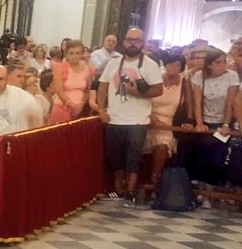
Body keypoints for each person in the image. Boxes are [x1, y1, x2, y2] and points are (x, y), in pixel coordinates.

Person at [97, 27, 164, 205]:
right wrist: (101, 110)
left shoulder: (150, 64)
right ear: (124, 41)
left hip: (138, 119)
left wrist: (137, 92)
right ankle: (117, 189)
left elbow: (158, 89)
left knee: (133, 156)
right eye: (129, 40)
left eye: (136, 40)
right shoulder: (113, 63)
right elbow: (102, 86)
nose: (132, 43)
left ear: (142, 43)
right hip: (114, 117)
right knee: (114, 156)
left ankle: (131, 190)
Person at [186, 48, 239, 186]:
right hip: (205, 119)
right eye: (218, 62)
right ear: (209, 64)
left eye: (224, 62)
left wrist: (226, 124)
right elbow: (197, 101)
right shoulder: (199, 76)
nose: (222, 65)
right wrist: (199, 122)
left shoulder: (232, 76)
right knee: (201, 155)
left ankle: (212, 188)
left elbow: (230, 102)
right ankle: (200, 188)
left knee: (218, 158)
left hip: (223, 120)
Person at [147, 53, 191, 186]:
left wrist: (190, 120)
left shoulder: (185, 82)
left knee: (163, 145)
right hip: (148, 118)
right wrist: (152, 118)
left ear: (182, 68)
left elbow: (190, 103)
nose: (173, 67)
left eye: (178, 65)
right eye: (171, 63)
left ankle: (155, 179)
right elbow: (144, 100)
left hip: (169, 124)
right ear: (165, 64)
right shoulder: (155, 79)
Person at [48, 39, 93, 124]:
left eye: (77, 53)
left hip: (81, 110)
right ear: (66, 54)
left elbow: (88, 90)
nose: (74, 56)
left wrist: (81, 104)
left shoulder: (88, 69)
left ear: (82, 54)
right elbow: (59, 90)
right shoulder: (59, 68)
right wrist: (72, 106)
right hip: (62, 107)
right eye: (71, 53)